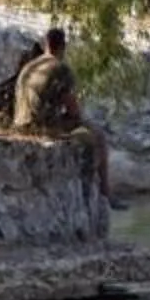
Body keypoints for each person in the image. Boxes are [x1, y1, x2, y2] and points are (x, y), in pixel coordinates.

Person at [12, 24, 114, 204]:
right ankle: (106, 192)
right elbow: (73, 108)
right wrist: (81, 120)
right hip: (42, 126)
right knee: (98, 136)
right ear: (63, 47)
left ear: (46, 44)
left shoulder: (29, 67)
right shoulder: (60, 68)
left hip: (19, 123)